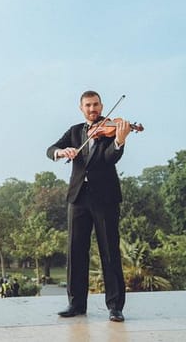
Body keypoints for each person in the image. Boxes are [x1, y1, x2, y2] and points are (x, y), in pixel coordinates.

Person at [47, 91, 132, 323]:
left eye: (96, 105)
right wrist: (60, 152)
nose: (92, 109)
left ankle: (115, 307)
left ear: (102, 105)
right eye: (88, 105)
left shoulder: (111, 128)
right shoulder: (75, 131)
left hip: (105, 198)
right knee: (76, 252)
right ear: (81, 108)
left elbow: (108, 158)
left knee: (110, 252)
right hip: (78, 198)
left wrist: (119, 140)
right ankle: (76, 304)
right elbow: (51, 148)